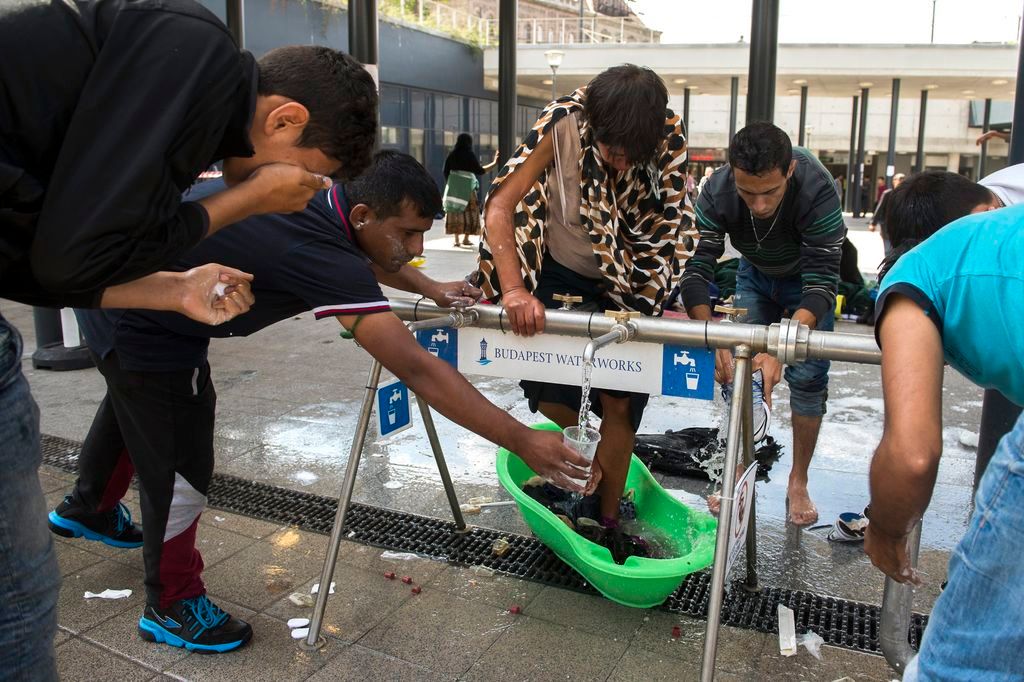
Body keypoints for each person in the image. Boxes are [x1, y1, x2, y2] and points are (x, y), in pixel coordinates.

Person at [48, 151, 588, 653]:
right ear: (360, 213)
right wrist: (520, 437)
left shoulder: (323, 201)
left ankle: (88, 507)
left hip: (118, 291)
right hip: (143, 317)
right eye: (409, 233)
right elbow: (419, 367)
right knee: (179, 455)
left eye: (424, 234)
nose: (417, 248)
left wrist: (428, 287)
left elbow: (371, 250)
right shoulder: (317, 249)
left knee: (137, 405)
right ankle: (171, 603)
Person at [1, 0, 377, 674]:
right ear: (284, 118)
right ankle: (171, 600)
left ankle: (94, 510)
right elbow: (72, 260)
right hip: (140, 343)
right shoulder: (193, 51)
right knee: (20, 602)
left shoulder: (179, 102)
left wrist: (172, 288)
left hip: (97, 312)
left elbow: (50, 265)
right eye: (307, 172)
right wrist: (248, 199)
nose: (306, 191)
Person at [477, 64, 697, 527]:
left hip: (632, 279)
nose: (620, 163)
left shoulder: (666, 135)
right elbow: (500, 203)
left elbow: (674, 224)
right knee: (544, 381)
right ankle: (595, 466)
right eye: (612, 152)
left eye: (630, 156)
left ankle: (608, 519)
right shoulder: (564, 123)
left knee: (624, 396)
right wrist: (514, 291)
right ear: (594, 126)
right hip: (561, 267)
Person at [862, 173, 1016, 680]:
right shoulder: (1004, 222)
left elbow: (912, 452)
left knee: (954, 664)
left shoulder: (920, 269)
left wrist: (884, 531)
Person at [680, 122, 845, 526]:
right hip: (754, 274)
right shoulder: (717, 190)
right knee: (740, 373)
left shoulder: (817, 189)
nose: (758, 205)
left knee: (807, 378)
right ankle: (738, 471)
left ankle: (798, 480)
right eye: (747, 192)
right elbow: (695, 270)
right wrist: (712, 335)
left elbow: (823, 284)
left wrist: (779, 347)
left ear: (789, 171)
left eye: (769, 192)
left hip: (806, 282)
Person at [443, 134, 499, 247]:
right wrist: (494, 163)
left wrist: (453, 183)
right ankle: (466, 239)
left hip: (454, 188)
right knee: (469, 212)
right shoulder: (469, 155)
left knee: (454, 211)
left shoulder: (452, 154)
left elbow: (445, 171)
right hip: (468, 188)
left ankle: (456, 239)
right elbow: (480, 171)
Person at [868, 173, 905, 255]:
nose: (901, 183)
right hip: (887, 227)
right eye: (899, 181)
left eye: (903, 181)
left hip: (901, 228)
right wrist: (873, 223)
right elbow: (879, 209)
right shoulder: (887, 194)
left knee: (898, 251)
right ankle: (889, 267)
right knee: (888, 251)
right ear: (894, 181)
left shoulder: (907, 194)